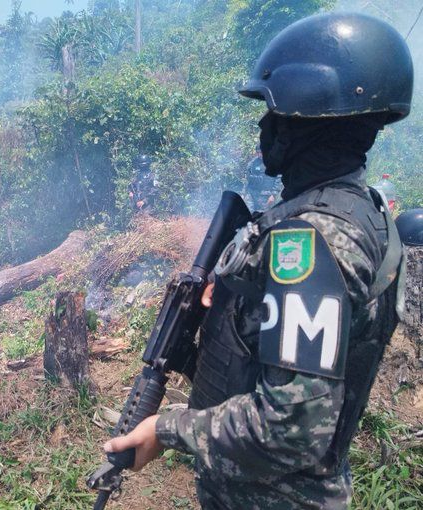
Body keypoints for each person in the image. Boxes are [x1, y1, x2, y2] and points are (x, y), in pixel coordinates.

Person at [103, 12, 412, 509]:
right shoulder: (357, 212)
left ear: (305, 123)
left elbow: (289, 426)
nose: (265, 126)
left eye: (275, 114)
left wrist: (166, 429)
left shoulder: (312, 241)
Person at [245, 145, 282, 211]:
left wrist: (273, 195)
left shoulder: (272, 162)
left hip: (266, 195)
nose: (259, 154)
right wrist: (244, 193)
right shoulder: (252, 163)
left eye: (261, 152)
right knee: (249, 213)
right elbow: (248, 179)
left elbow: (278, 179)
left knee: (262, 216)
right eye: (258, 152)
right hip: (252, 194)